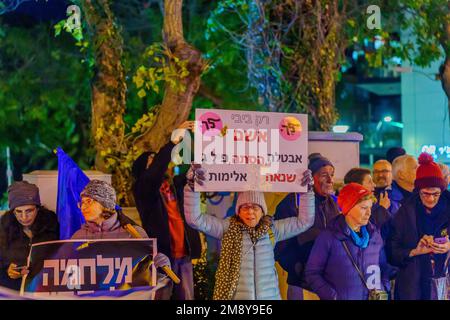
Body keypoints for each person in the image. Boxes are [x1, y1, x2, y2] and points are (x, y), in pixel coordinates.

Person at [184, 164, 315, 300]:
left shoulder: (272, 230)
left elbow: (304, 221)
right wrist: (192, 189)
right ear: (238, 210)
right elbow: (195, 219)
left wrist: (307, 192)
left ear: (263, 211)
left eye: (255, 207)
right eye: (245, 207)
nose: (250, 212)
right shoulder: (227, 228)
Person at [132, 121, 201, 300]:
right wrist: (172, 142)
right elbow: (154, 172)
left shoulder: (176, 185)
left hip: (184, 255)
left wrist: (205, 139)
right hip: (162, 256)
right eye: (151, 160)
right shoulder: (143, 188)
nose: (158, 163)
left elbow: (199, 173)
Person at [71, 180, 173, 299]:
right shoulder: (78, 237)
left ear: (105, 203)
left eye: (89, 201)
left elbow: (147, 279)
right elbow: (66, 277)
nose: (83, 207)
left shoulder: (133, 235)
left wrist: (161, 269)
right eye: (81, 203)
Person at [305, 183, 390, 300]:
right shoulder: (328, 237)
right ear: (348, 208)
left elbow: (384, 267)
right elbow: (312, 273)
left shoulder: (375, 235)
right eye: (364, 208)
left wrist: (384, 288)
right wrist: (332, 296)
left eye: (370, 207)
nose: (369, 213)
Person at [274, 153, 340, 300]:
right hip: (301, 284)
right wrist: (297, 268)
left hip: (329, 284)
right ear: (310, 177)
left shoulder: (334, 204)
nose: (330, 180)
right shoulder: (293, 203)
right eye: (324, 175)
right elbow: (279, 244)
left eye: (332, 174)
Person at [387, 153, 450, 300]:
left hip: (444, 283)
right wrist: (414, 251)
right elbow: (391, 252)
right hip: (412, 286)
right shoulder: (405, 211)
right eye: (425, 194)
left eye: (435, 194)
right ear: (417, 191)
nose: (430, 198)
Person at [0, 181, 59, 291]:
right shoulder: (4, 227)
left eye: (29, 211)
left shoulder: (50, 224)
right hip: (13, 290)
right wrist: (8, 270)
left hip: (44, 288)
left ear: (37, 208)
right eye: (18, 211)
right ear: (13, 211)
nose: (24, 217)